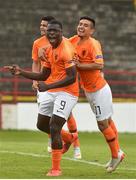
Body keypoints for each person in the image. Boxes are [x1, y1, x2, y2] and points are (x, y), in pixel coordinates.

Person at [5, 20, 79, 176]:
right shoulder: (48, 50)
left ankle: (56, 169)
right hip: (52, 89)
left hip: (68, 92)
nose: (51, 33)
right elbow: (44, 75)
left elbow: (72, 77)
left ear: (61, 32)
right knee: (41, 125)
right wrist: (21, 72)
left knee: (54, 126)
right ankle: (69, 137)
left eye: (55, 31)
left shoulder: (66, 50)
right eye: (49, 30)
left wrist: (48, 86)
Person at [69, 16, 125, 173]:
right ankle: (118, 152)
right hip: (89, 90)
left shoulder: (93, 44)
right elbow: (61, 44)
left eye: (85, 25)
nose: (81, 27)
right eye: (80, 24)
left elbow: (99, 64)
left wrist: (79, 65)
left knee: (102, 124)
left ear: (91, 30)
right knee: (107, 121)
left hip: (99, 90)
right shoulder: (73, 40)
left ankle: (115, 155)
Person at [32, 16, 81, 159]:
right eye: (42, 25)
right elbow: (36, 62)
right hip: (47, 85)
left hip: (63, 88)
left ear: (58, 31)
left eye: (45, 26)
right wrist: (33, 78)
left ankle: (76, 147)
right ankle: (68, 137)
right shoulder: (37, 44)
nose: (43, 28)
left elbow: (74, 42)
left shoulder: (64, 43)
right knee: (44, 123)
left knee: (62, 119)